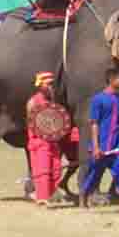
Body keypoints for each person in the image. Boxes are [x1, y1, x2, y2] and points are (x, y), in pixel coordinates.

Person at [80, 69, 119, 214]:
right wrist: (96, 147)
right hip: (102, 145)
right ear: (111, 80)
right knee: (94, 174)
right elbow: (94, 123)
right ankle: (83, 198)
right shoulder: (98, 100)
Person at [24, 71, 74, 207]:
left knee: (56, 169)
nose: (51, 87)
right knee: (43, 170)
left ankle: (49, 194)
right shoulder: (33, 102)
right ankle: (42, 197)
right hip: (39, 141)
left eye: (52, 84)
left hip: (52, 141)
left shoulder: (51, 102)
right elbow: (34, 123)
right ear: (41, 86)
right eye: (48, 84)